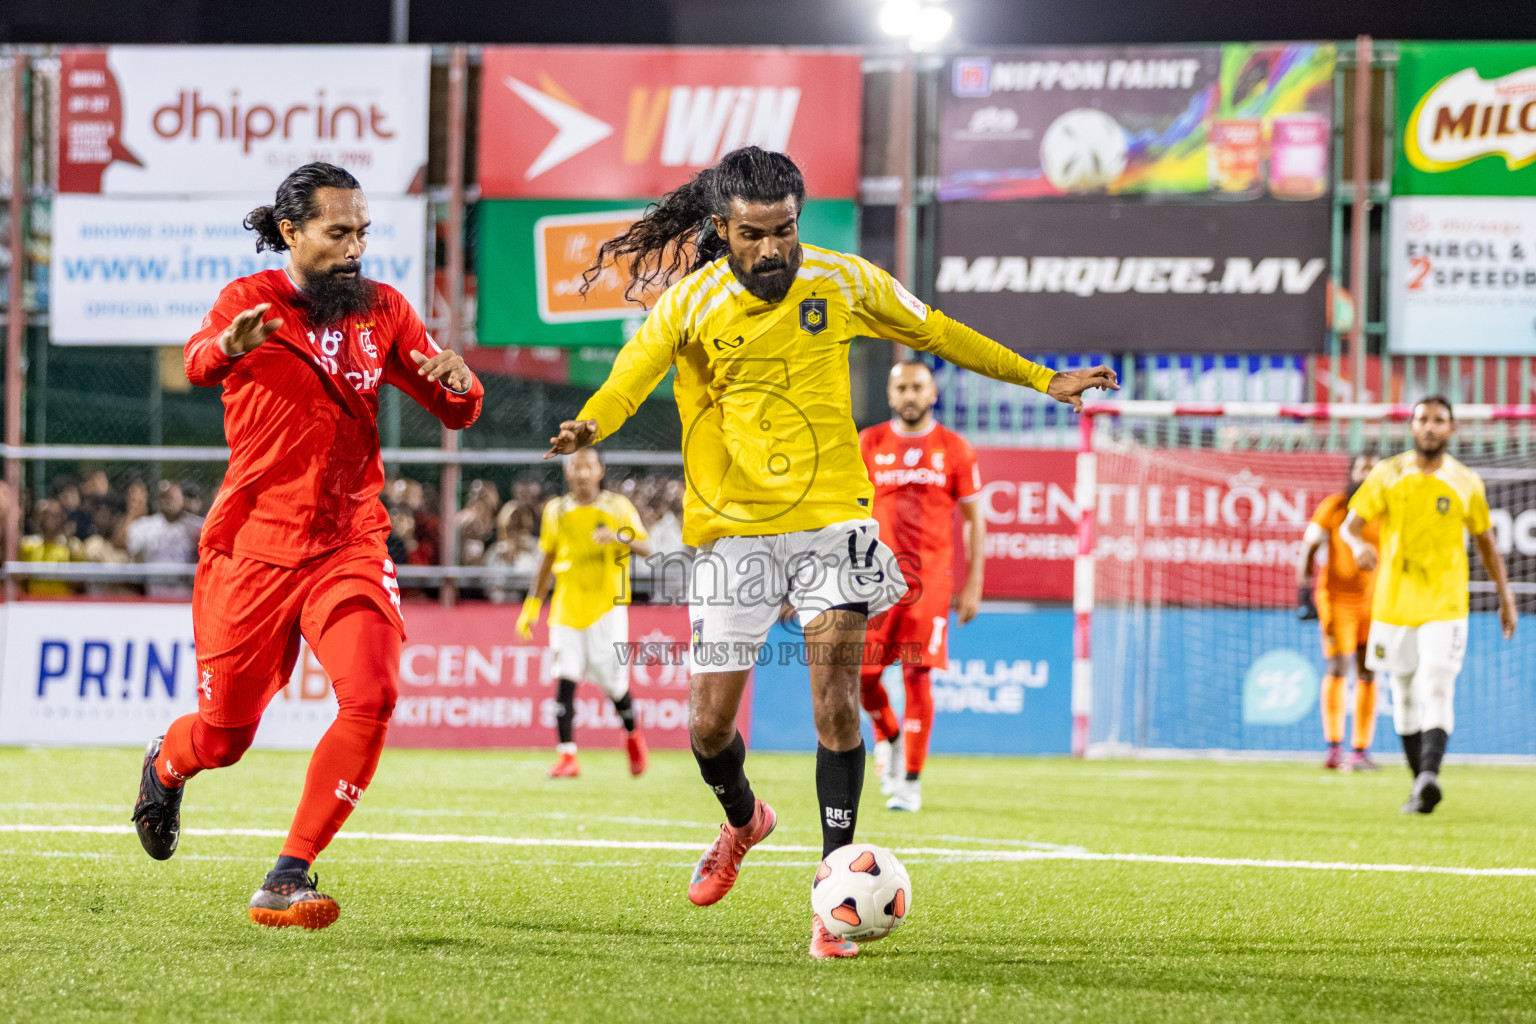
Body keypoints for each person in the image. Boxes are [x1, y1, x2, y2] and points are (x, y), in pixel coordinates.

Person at [546, 146, 1117, 958]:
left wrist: (1039, 378)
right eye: (754, 235)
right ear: (722, 229)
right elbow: (631, 378)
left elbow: (939, 331)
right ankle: (745, 824)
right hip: (735, 533)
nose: (774, 249)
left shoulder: (842, 281)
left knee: (836, 705)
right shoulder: (690, 302)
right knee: (707, 727)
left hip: (832, 524)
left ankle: (831, 894)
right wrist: (590, 427)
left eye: (785, 230)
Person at [129, 162, 483, 929]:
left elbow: (452, 409)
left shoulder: (383, 310)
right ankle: (166, 762)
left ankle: (287, 875)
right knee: (224, 739)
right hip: (252, 549)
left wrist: (460, 384)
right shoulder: (248, 302)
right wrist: (228, 344)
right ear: (291, 233)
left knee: (375, 692)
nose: (356, 246)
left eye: (362, 230)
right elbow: (197, 362)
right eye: (338, 232)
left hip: (346, 538)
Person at [1342, 397, 1516, 814]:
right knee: (1403, 694)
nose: (1430, 427)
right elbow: (1351, 526)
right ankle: (1419, 786)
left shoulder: (1465, 481)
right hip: (1394, 603)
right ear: (1412, 427)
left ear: (1452, 430)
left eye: (1439, 420)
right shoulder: (1388, 473)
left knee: (1436, 683)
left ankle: (1429, 775)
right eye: (1423, 419)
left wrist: (1505, 598)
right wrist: (1356, 543)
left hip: (1446, 603)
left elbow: (1486, 543)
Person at [857, 361, 985, 812]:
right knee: (863, 676)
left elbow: (973, 521)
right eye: (901, 387)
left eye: (917, 387)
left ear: (932, 394)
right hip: (874, 581)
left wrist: (973, 584)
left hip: (929, 580)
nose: (909, 394)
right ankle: (888, 732)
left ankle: (909, 780)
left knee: (917, 674)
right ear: (890, 396)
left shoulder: (955, 448)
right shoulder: (867, 443)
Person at [518, 447, 653, 777]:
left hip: (607, 608)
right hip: (566, 607)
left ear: (599, 470)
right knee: (565, 677)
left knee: (614, 686)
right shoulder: (556, 510)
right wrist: (532, 604)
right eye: (575, 466)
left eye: (587, 466)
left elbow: (646, 547)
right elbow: (547, 559)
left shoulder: (617, 507)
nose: (581, 472)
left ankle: (633, 737)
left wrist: (616, 536)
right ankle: (567, 756)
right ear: (567, 472)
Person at [1297, 453, 1380, 771]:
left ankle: (1360, 750)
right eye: (1362, 468)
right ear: (1351, 473)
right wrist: (1303, 592)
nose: (1367, 474)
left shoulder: (1386, 511)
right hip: (1337, 601)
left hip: (1374, 603)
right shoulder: (1334, 507)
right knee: (1337, 667)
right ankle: (1333, 747)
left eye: (1373, 469)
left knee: (1368, 671)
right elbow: (1308, 548)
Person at [126, 479, 204, 599]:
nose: (168, 500)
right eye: (163, 496)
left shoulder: (196, 527)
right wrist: (133, 510)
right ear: (157, 500)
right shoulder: (145, 526)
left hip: (186, 598)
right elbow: (127, 545)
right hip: (154, 597)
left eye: (172, 495)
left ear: (182, 498)